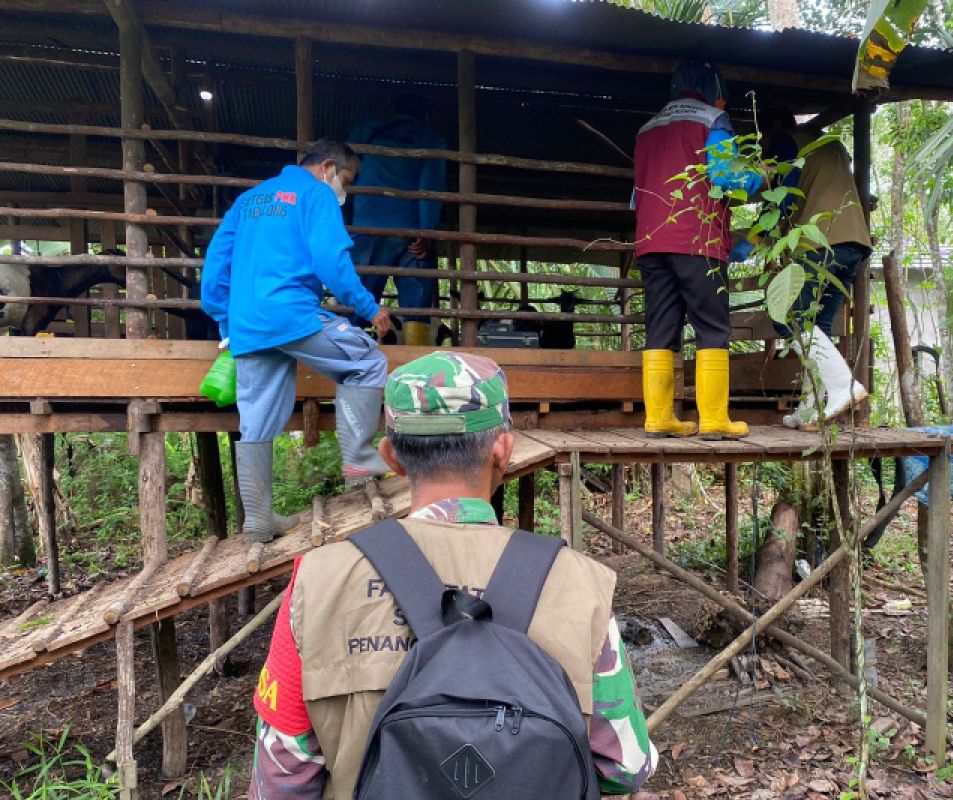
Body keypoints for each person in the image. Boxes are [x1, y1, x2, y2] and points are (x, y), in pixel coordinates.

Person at [248, 351, 657, 799]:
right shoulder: (581, 583)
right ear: (504, 449)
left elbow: (281, 781)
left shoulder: (317, 581)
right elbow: (624, 765)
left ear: (391, 456)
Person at [201, 140, 392, 542]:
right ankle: (358, 460)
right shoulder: (316, 194)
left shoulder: (248, 200)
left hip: (249, 323)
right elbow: (331, 261)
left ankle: (258, 520)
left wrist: (225, 317)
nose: (345, 188)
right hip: (291, 315)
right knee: (367, 363)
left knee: (256, 418)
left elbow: (216, 265)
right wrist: (369, 308)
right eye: (347, 179)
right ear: (327, 167)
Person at [633, 61, 761, 440]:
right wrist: (760, 176)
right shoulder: (712, 118)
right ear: (712, 87)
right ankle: (715, 420)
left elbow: (635, 196)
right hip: (696, 238)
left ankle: (658, 417)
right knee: (712, 326)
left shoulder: (647, 128)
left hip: (652, 240)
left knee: (660, 329)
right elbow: (726, 177)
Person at [735, 111, 871, 427]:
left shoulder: (788, 143)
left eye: (762, 140)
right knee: (816, 328)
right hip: (854, 243)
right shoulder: (830, 144)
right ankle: (812, 408)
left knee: (787, 317)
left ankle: (843, 386)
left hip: (821, 242)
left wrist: (752, 238)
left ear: (776, 126)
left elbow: (783, 198)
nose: (763, 149)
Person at [347, 94, 447, 346]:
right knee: (417, 300)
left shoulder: (366, 131)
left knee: (361, 293)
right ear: (427, 116)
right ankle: (416, 360)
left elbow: (345, 175)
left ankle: (350, 352)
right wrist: (426, 233)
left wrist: (347, 225)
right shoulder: (431, 140)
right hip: (410, 230)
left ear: (393, 109)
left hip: (367, 226)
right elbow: (430, 189)